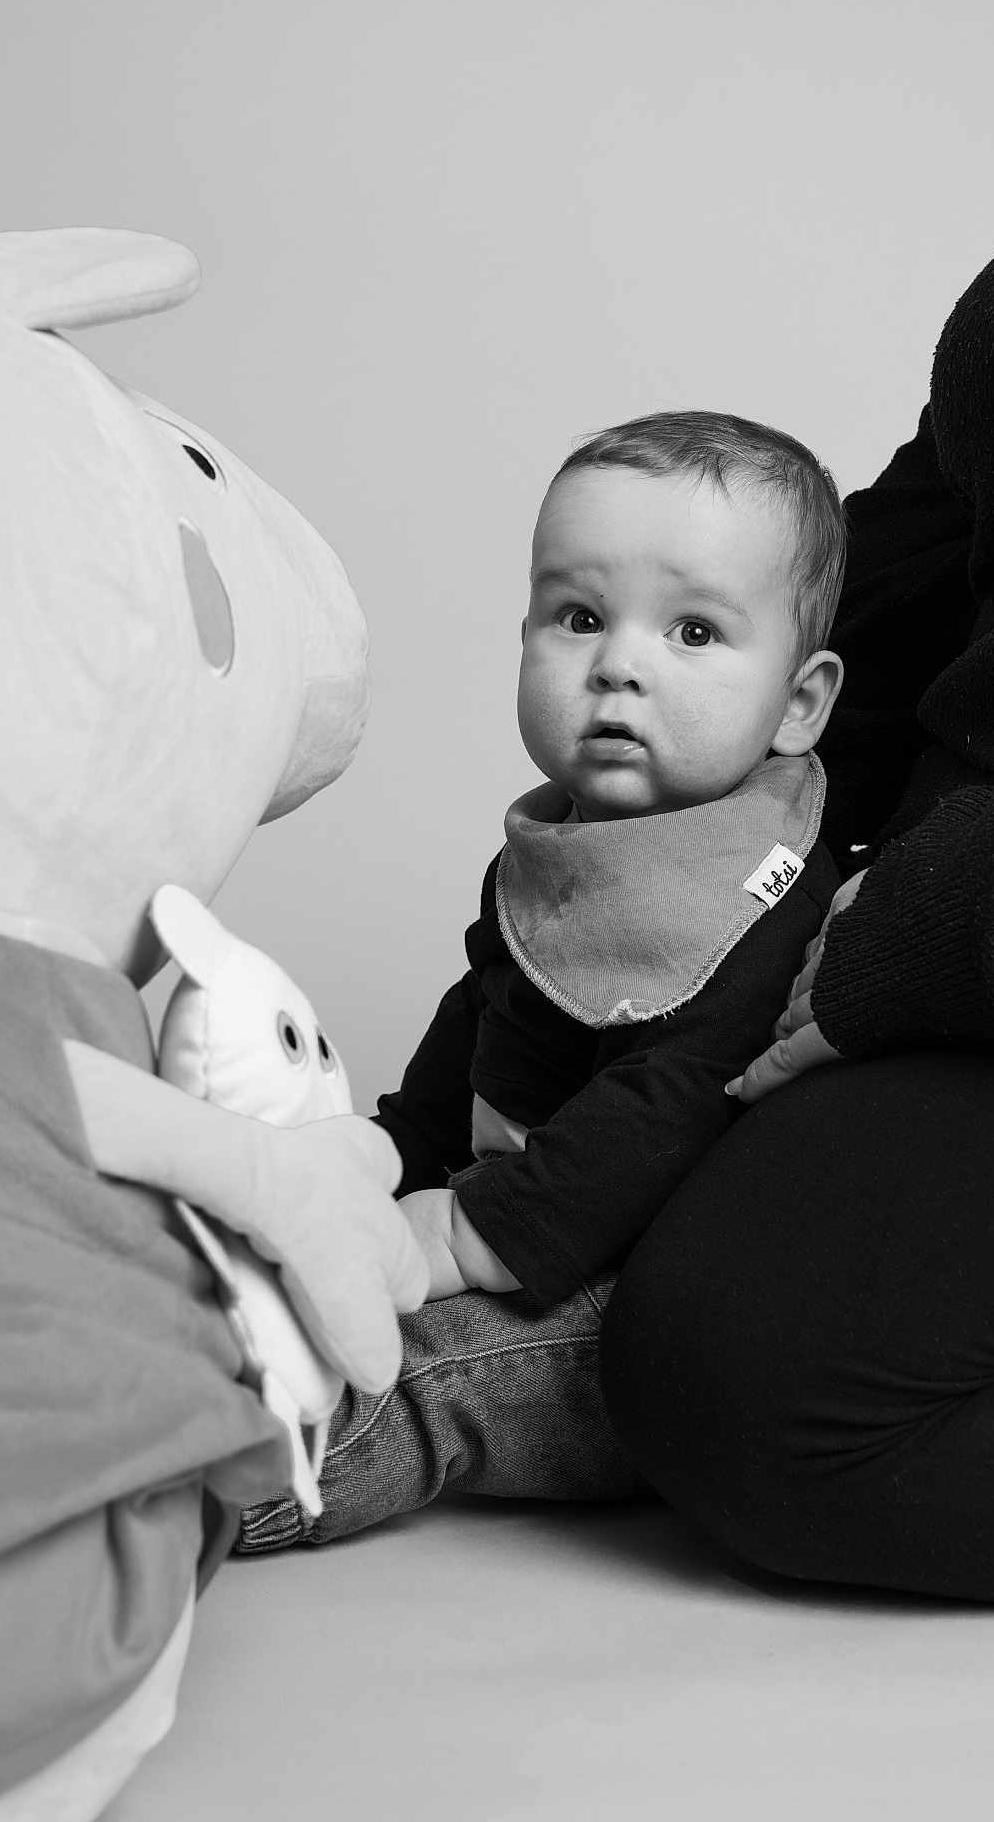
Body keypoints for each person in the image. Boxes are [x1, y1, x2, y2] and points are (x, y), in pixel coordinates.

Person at [599, 0, 994, 1607]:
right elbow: (992, 460)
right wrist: (720, 774)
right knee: (576, 1097)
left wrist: (915, 921)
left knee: (765, 1374)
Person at [238, 409, 846, 1550]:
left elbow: (662, 1113)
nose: (618, 661)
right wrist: (388, 1155)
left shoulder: (756, 898)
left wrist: (454, 1238)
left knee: (427, 1372)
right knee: (289, 1263)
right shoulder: (564, 846)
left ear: (799, 702)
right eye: (577, 617)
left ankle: (225, 1483)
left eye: (694, 633)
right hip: (511, 1207)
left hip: (637, 1279)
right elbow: (487, 1017)